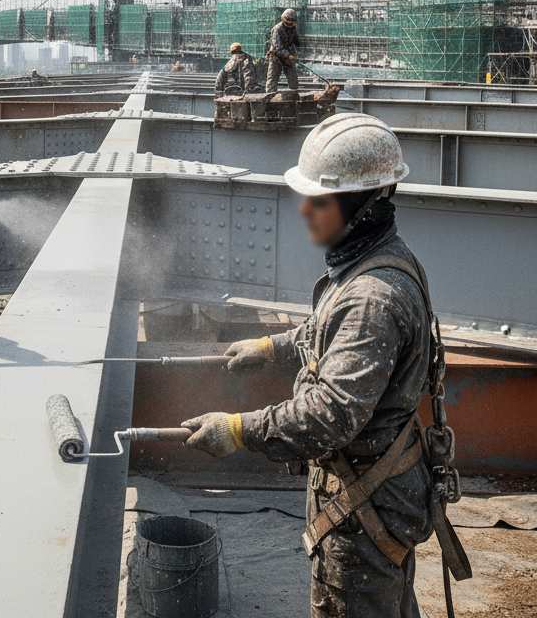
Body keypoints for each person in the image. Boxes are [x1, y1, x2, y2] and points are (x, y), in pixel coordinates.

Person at [180, 113, 469, 617]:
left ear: (361, 206)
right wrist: (273, 347)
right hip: (377, 495)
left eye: (320, 201)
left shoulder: (371, 298)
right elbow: (332, 332)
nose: (306, 212)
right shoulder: (379, 261)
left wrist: (239, 429)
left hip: (365, 512)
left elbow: (330, 415)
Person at [265, 7, 300, 95]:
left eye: (292, 21)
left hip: (288, 58)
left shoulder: (293, 28)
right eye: (288, 20)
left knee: (293, 80)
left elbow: (295, 42)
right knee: (272, 80)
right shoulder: (277, 29)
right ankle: (269, 98)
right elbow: (277, 47)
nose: (290, 23)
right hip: (276, 56)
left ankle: (294, 98)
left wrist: (295, 54)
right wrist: (288, 55)